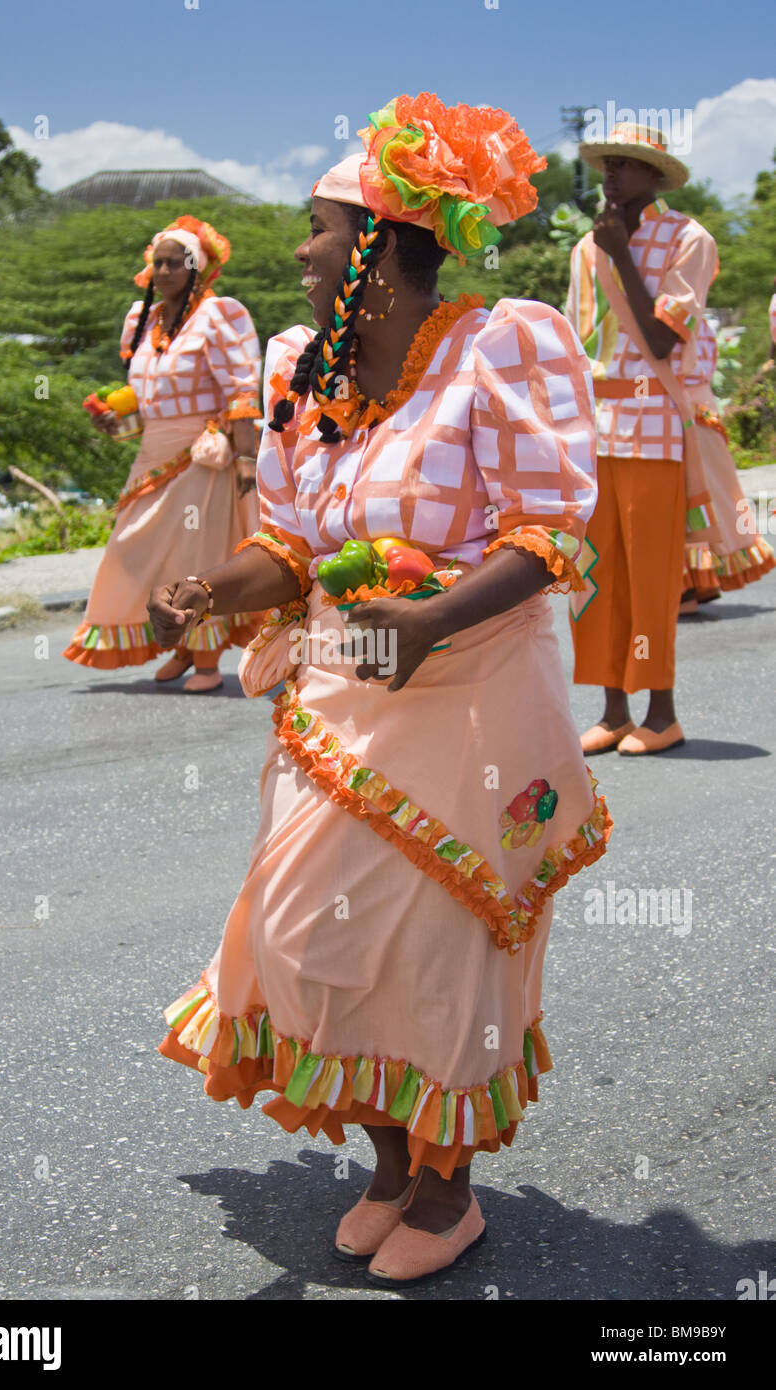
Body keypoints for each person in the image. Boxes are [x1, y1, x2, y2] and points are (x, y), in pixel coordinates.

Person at [149, 93, 612, 1286]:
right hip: (341, 693)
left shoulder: (499, 343)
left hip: (470, 692)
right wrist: (208, 589)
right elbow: (295, 544)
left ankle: (442, 1188)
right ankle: (389, 1155)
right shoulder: (303, 368)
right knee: (307, 938)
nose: (296, 250)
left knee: (442, 955)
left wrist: (430, 622)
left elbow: (550, 528)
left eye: (315, 227)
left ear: (373, 244)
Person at [565, 124, 719, 755]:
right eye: (608, 164)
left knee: (653, 577)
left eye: (629, 165)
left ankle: (662, 714)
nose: (613, 175)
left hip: (656, 429)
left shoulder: (690, 240)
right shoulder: (584, 248)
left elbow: (662, 342)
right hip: (594, 432)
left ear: (656, 176)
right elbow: (577, 350)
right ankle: (612, 709)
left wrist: (620, 255)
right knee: (593, 575)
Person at [63, 216, 262, 692]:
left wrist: (246, 462)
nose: (166, 270)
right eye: (160, 262)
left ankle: (208, 659)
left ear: (199, 269)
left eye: (177, 262)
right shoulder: (142, 320)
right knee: (134, 548)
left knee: (197, 553)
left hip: (203, 456)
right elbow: (145, 405)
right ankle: (180, 648)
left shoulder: (218, 316)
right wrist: (114, 422)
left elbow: (240, 393)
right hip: (153, 453)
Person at [679, 317, 774, 610]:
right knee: (711, 499)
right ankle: (697, 585)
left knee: (687, 500)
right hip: (705, 416)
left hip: (680, 417)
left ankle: (687, 589)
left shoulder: (674, 324)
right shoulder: (702, 326)